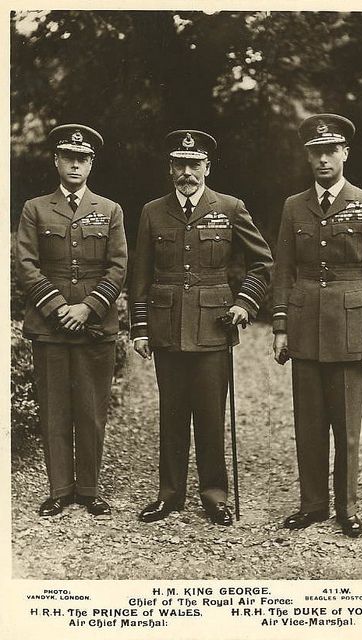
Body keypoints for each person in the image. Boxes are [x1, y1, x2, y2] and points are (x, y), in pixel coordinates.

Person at [130, 129, 273, 526]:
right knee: (172, 414)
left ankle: (214, 496)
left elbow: (263, 262)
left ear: (207, 167)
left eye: (195, 165)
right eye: (180, 164)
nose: (187, 172)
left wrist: (245, 302)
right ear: (170, 168)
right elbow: (139, 275)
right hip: (167, 326)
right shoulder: (152, 212)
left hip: (214, 327)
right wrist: (140, 328)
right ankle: (169, 495)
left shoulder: (229, 207)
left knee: (211, 416)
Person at [272, 114, 362, 537]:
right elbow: (284, 268)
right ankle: (312, 505)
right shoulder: (294, 205)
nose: (323, 159)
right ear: (307, 157)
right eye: (315, 152)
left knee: (346, 426)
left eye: (330, 150)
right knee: (308, 424)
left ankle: (347, 508)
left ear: (345, 153)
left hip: (351, 325)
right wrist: (281, 327)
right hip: (305, 324)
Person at [16, 124, 128, 517]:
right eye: (69, 157)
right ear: (57, 161)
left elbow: (118, 267)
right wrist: (58, 306)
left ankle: (90, 489)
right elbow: (26, 264)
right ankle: (60, 489)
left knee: (92, 408)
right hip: (49, 327)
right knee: (54, 409)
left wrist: (88, 308)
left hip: (95, 325)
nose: (76, 164)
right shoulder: (36, 208)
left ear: (91, 164)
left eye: (83, 158)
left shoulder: (110, 209)